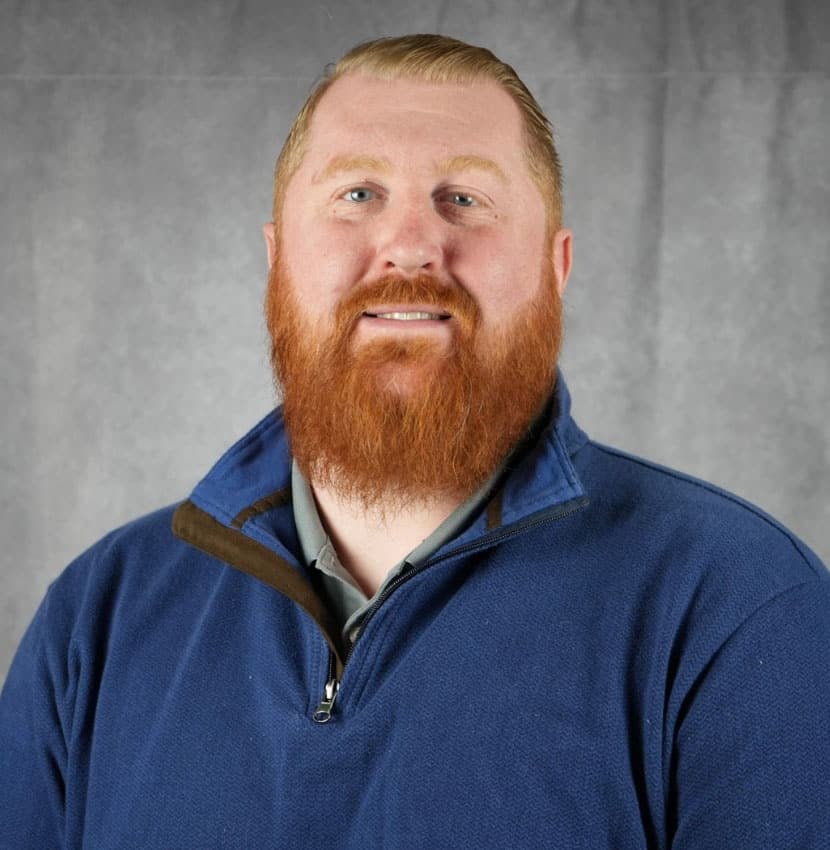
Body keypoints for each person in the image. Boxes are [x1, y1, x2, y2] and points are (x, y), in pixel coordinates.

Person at [1, 33, 828, 849]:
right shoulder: (96, 621)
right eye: (357, 193)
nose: (410, 246)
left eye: (464, 197)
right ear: (277, 258)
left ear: (555, 268)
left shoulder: (740, 609)